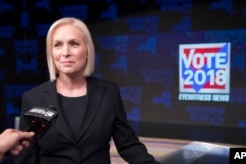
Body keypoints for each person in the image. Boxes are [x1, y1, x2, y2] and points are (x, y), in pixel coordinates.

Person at [14, 17, 160, 164]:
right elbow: (26, 157)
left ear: (88, 50)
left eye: (74, 44)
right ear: (51, 53)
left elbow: (129, 146)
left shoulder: (109, 92)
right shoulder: (33, 98)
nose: (65, 52)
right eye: (58, 45)